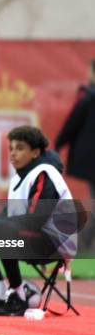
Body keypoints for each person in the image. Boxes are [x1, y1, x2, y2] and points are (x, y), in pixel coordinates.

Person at [0, 126, 75, 316]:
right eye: (11, 148)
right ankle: (1, 294)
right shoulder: (21, 177)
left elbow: (36, 219)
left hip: (55, 243)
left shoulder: (44, 173)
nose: (13, 153)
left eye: (20, 148)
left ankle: (18, 295)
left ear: (35, 152)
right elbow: (10, 214)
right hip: (36, 238)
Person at [55, 59, 95, 249]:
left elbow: (72, 124)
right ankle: (86, 241)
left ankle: (86, 242)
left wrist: (58, 144)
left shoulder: (88, 97)